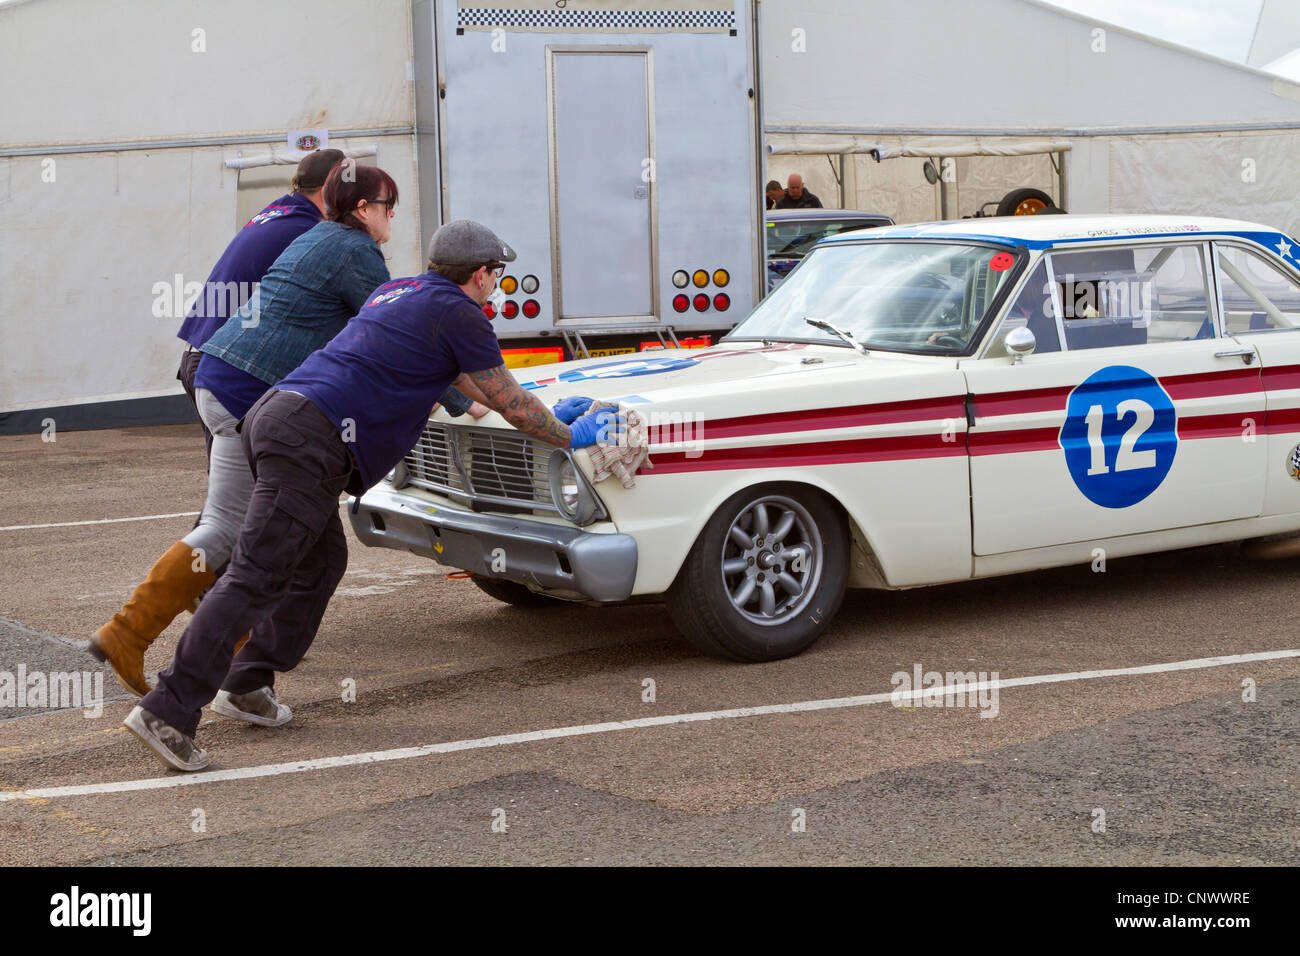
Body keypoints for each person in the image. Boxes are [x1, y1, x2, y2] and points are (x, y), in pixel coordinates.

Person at [124, 220, 619, 771]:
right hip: (310, 439)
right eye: (496, 276)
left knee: (319, 563)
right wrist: (569, 434)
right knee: (255, 576)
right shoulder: (461, 313)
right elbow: (510, 404)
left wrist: (549, 411)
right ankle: (167, 709)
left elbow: (470, 385)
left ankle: (245, 684)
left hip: (279, 416)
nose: (495, 286)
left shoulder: (399, 291)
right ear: (480, 274)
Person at [88, 161, 397, 697]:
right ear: (359, 207)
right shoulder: (344, 245)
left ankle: (212, 649)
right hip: (250, 392)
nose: (392, 217)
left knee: (262, 535)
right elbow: (389, 331)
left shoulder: (292, 221)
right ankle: (151, 641)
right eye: (388, 206)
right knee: (238, 532)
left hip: (214, 368)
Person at [177, 149, 346, 459]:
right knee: (266, 484)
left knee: (237, 493)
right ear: (327, 191)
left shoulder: (280, 212)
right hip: (231, 368)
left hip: (204, 358)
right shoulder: (307, 231)